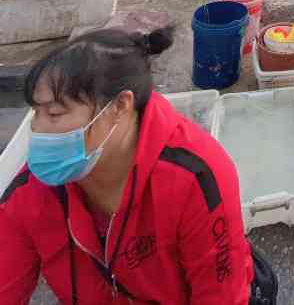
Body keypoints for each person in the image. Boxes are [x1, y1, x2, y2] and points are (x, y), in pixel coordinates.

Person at [0, 26, 259, 305]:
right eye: (35, 114)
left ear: (120, 106)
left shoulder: (196, 177)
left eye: (54, 113)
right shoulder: (31, 193)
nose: (38, 131)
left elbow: (221, 295)